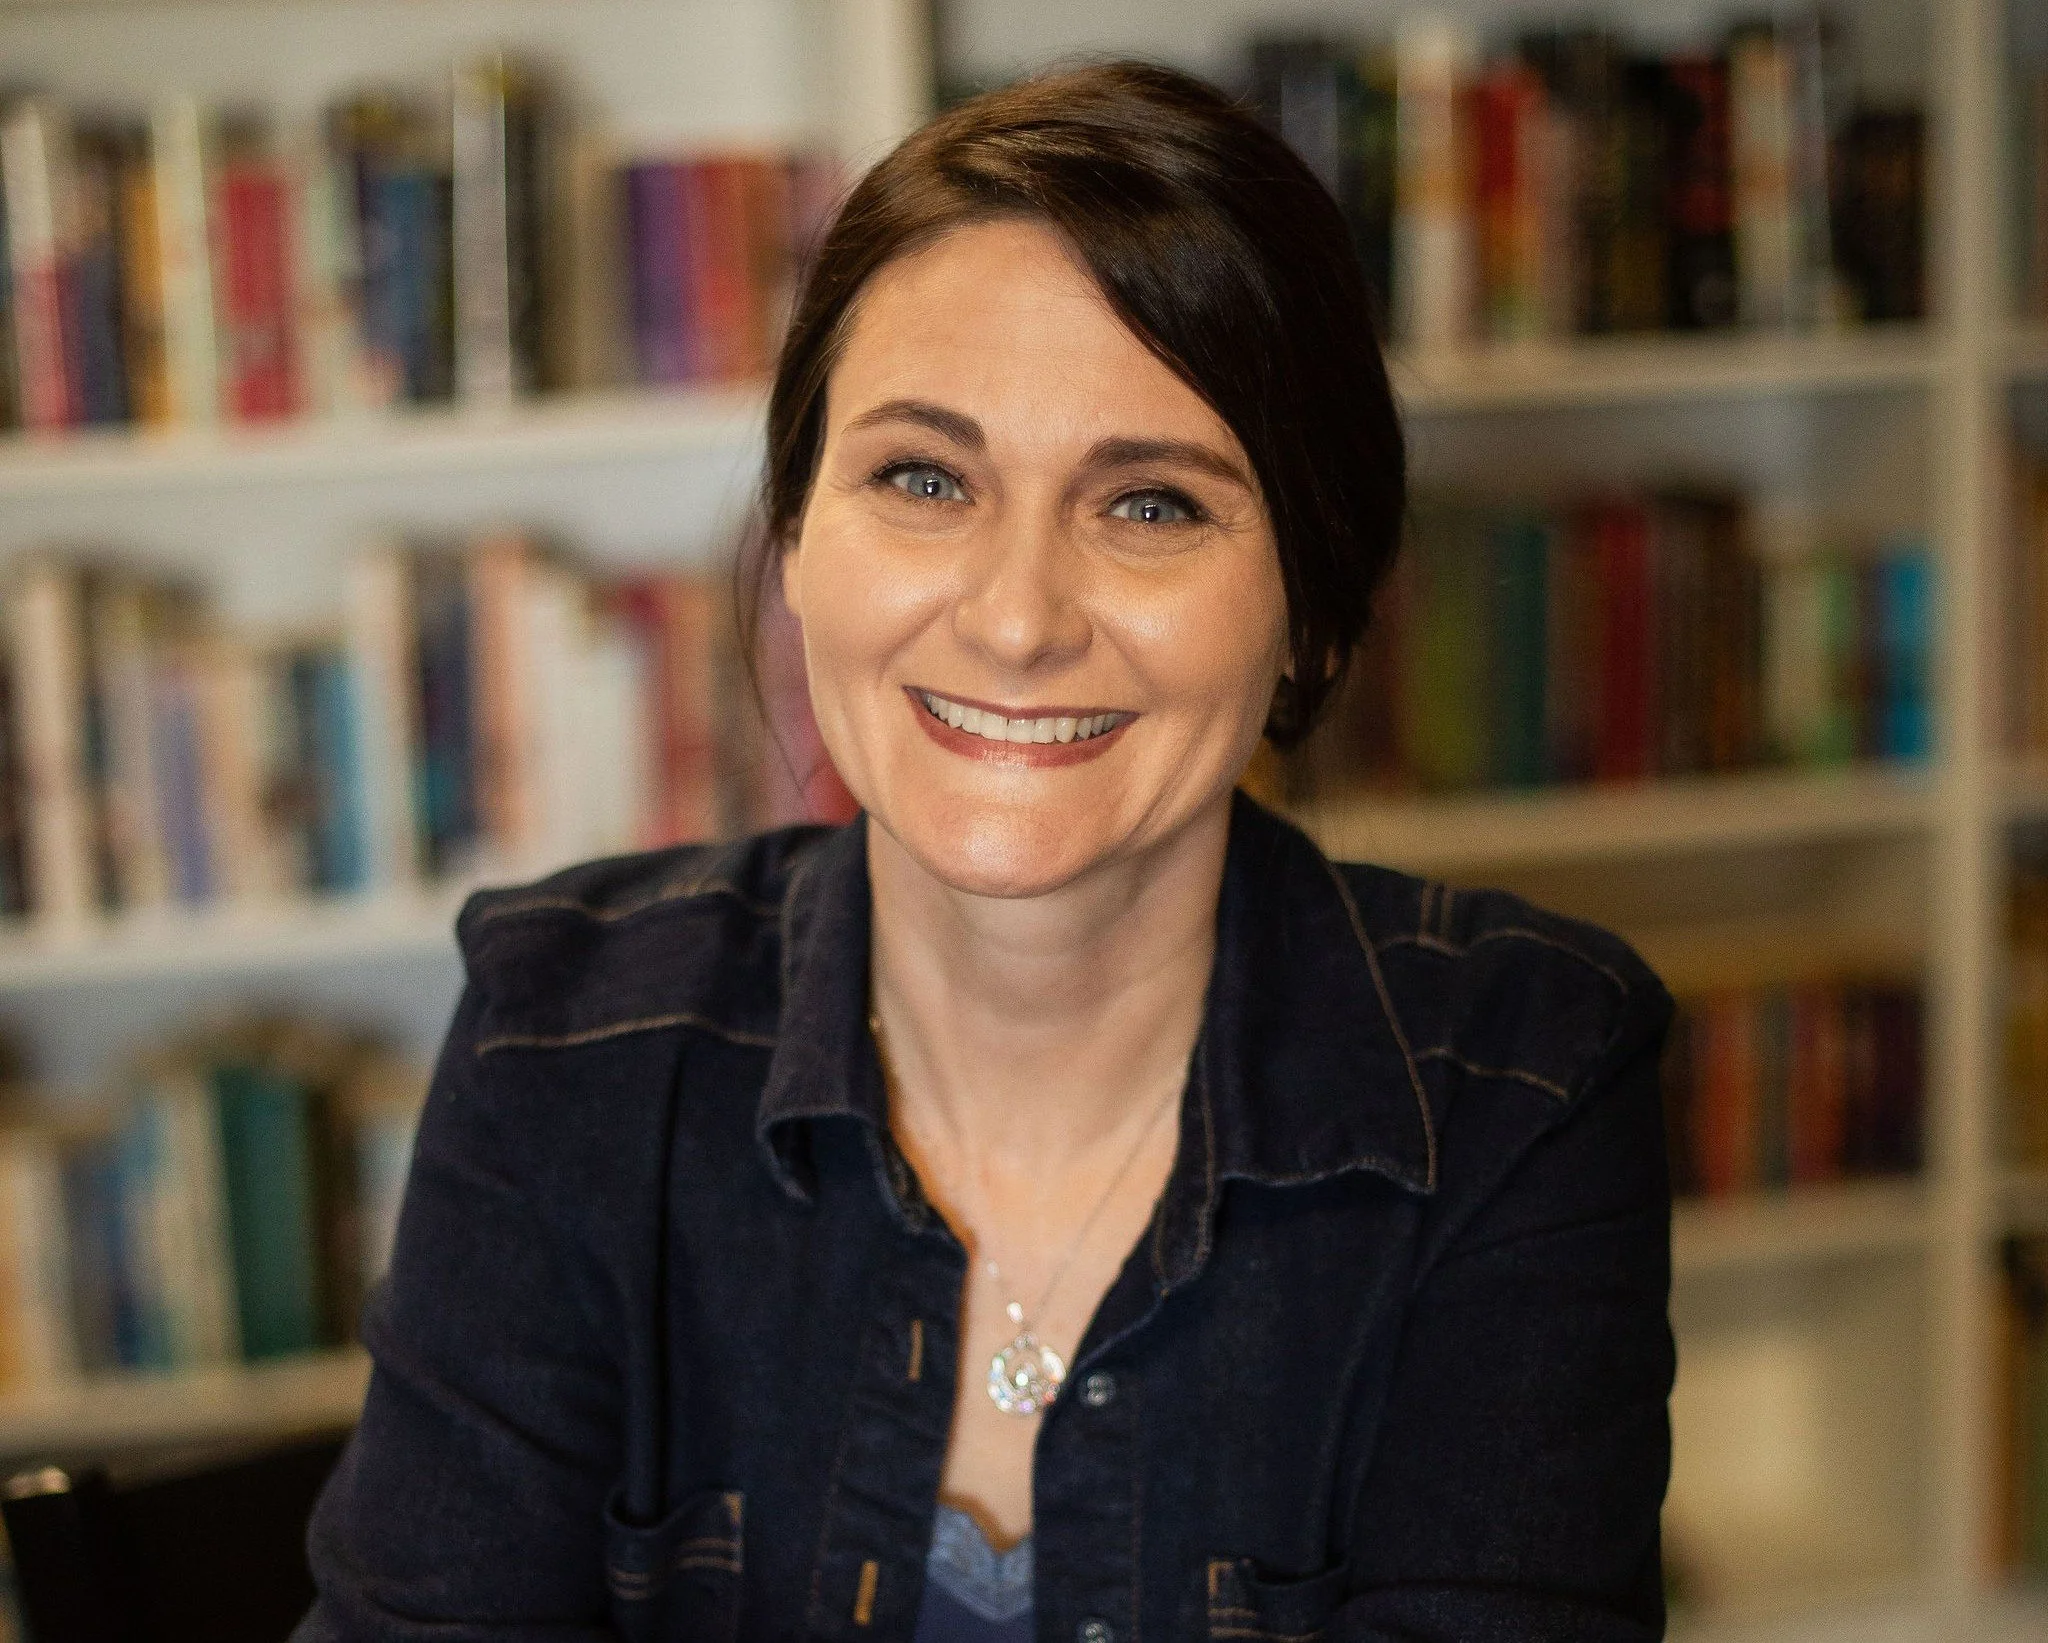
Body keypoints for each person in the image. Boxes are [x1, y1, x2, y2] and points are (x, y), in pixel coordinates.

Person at [295, 61, 1675, 1643]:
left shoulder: (1523, 1078)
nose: (1018, 618)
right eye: (924, 477)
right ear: (799, 541)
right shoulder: (567, 1037)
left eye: (1151, 503)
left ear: (1314, 611)